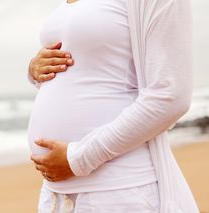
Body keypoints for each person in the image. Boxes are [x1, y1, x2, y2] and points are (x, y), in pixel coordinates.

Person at [27, 0, 199, 212]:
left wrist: (79, 158)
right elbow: (93, 74)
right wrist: (36, 71)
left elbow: (170, 96)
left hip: (118, 188)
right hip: (57, 195)